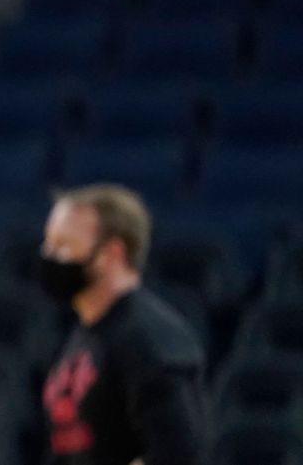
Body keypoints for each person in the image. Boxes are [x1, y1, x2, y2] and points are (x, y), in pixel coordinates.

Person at [39, 184, 209, 465]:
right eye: (48, 243)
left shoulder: (152, 337)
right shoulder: (83, 335)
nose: (48, 255)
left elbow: (181, 453)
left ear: (112, 253)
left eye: (62, 245)